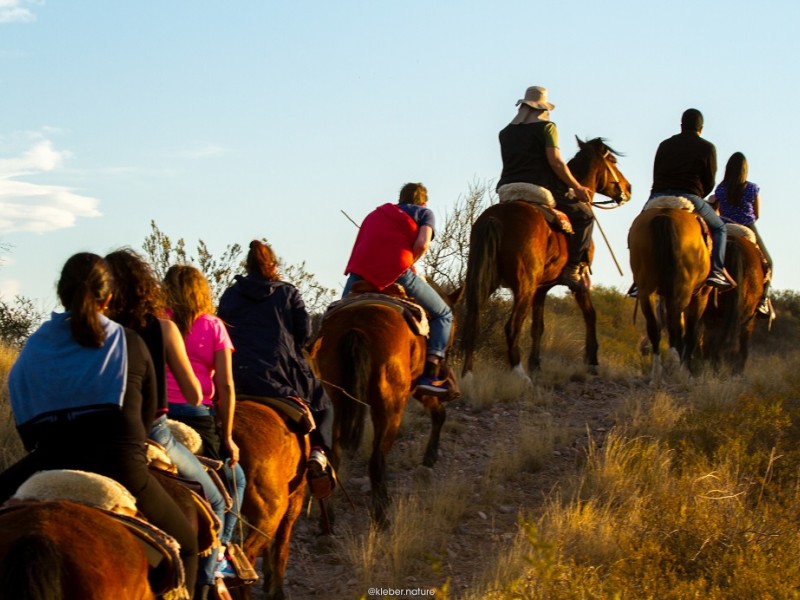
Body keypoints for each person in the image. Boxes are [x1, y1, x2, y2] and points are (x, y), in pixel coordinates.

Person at [0, 253, 199, 595]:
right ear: (108, 297)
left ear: (61, 293)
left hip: (49, 460)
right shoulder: (129, 341)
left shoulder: (36, 344)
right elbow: (147, 419)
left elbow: (25, 424)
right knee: (189, 546)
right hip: (122, 467)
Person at [105, 248, 226, 600]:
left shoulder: (92, 327)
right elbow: (192, 393)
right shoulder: (163, 328)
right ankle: (205, 584)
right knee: (216, 501)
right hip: (154, 432)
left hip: (97, 433)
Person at [217, 240, 336, 495]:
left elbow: (221, 330)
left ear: (248, 266)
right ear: (273, 264)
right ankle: (318, 452)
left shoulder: (230, 294)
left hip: (235, 374)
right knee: (324, 405)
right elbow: (303, 333)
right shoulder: (288, 293)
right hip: (279, 374)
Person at [162, 264, 248, 581]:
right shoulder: (213, 326)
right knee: (235, 480)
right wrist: (227, 437)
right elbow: (225, 385)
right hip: (196, 416)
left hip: (158, 415)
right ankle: (220, 551)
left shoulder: (157, 321)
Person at [341, 182, 454, 396]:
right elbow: (422, 244)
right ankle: (430, 373)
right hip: (397, 270)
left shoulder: (376, 213)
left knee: (337, 313)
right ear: (423, 202)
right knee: (444, 314)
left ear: (400, 199)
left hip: (361, 270)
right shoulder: (425, 213)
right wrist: (411, 262)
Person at [496, 85, 595, 291]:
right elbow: (556, 162)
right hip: (539, 187)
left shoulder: (505, 133)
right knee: (585, 216)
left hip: (507, 188)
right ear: (541, 108)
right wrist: (577, 187)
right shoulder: (547, 128)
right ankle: (572, 269)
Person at [646, 108, 735, 290]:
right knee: (720, 228)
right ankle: (717, 271)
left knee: (638, 228)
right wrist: (699, 195)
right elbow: (709, 180)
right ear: (701, 128)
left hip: (658, 195)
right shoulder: (708, 148)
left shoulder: (665, 145)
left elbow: (656, 174)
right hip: (689, 196)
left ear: (681, 126)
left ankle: (639, 279)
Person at [708, 152, 774, 316]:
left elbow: (716, 210)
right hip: (747, 226)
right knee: (769, 263)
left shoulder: (721, 189)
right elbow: (757, 214)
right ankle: (763, 301)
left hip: (724, 225)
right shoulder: (752, 188)